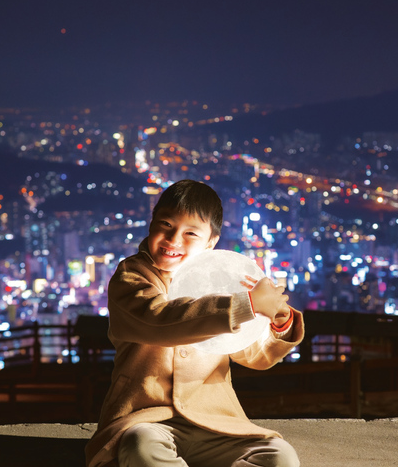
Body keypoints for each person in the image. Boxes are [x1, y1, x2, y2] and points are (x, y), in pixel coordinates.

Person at [85, 179, 304, 467]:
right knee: (142, 448)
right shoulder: (131, 278)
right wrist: (245, 305)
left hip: (216, 420)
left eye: (190, 233)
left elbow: (253, 355)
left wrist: (277, 321)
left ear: (211, 242)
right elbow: (159, 318)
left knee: (281, 457)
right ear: (151, 225)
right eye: (165, 224)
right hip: (146, 417)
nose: (174, 239)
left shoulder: (221, 281)